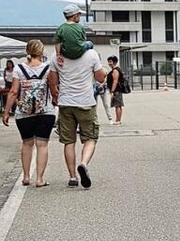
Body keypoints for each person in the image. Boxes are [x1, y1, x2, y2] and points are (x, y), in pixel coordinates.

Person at [48, 46, 107, 189]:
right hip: (86, 103)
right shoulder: (91, 54)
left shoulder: (57, 56)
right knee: (90, 138)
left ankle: (72, 177)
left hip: (66, 103)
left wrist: (56, 94)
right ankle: (84, 164)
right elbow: (100, 78)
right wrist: (102, 69)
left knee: (69, 141)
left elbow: (53, 81)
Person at [1, 40, 56, 187]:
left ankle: (26, 177)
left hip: (24, 112)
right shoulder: (48, 68)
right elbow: (53, 88)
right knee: (42, 144)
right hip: (45, 111)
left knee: (27, 143)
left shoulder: (18, 69)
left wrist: (6, 112)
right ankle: (39, 179)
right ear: (41, 52)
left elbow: (13, 92)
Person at [106, 56, 125, 126]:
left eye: (110, 61)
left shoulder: (115, 70)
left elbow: (115, 81)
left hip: (116, 90)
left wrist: (112, 91)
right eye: (109, 61)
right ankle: (118, 119)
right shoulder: (114, 70)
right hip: (117, 90)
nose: (109, 63)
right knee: (117, 105)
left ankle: (118, 120)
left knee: (118, 105)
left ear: (115, 62)